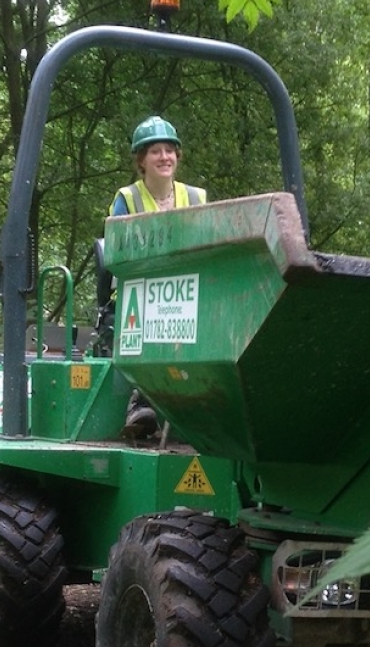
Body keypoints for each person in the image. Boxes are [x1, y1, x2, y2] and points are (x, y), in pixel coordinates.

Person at [109, 115, 207, 438]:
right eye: (155, 151)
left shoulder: (196, 198)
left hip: (187, 291)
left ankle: (206, 405)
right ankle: (141, 403)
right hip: (137, 294)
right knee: (156, 319)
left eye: (170, 150)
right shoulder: (127, 199)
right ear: (141, 159)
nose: (164, 157)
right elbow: (119, 255)